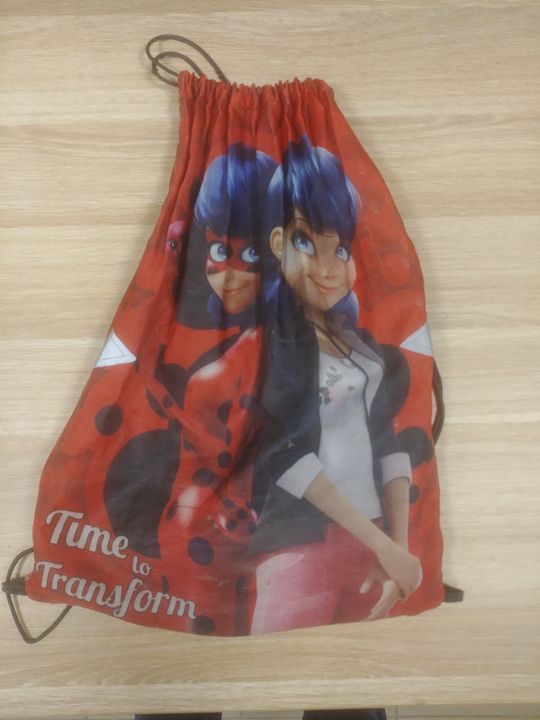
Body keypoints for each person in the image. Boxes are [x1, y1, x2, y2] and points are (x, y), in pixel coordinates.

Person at [245, 133, 423, 634]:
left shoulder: (358, 345)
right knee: (275, 669)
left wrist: (397, 550)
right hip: (304, 545)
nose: (327, 269)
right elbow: (283, 453)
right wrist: (386, 547)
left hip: (372, 551)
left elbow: (387, 443)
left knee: (358, 676)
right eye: (306, 241)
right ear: (277, 244)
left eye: (339, 248)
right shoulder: (279, 342)